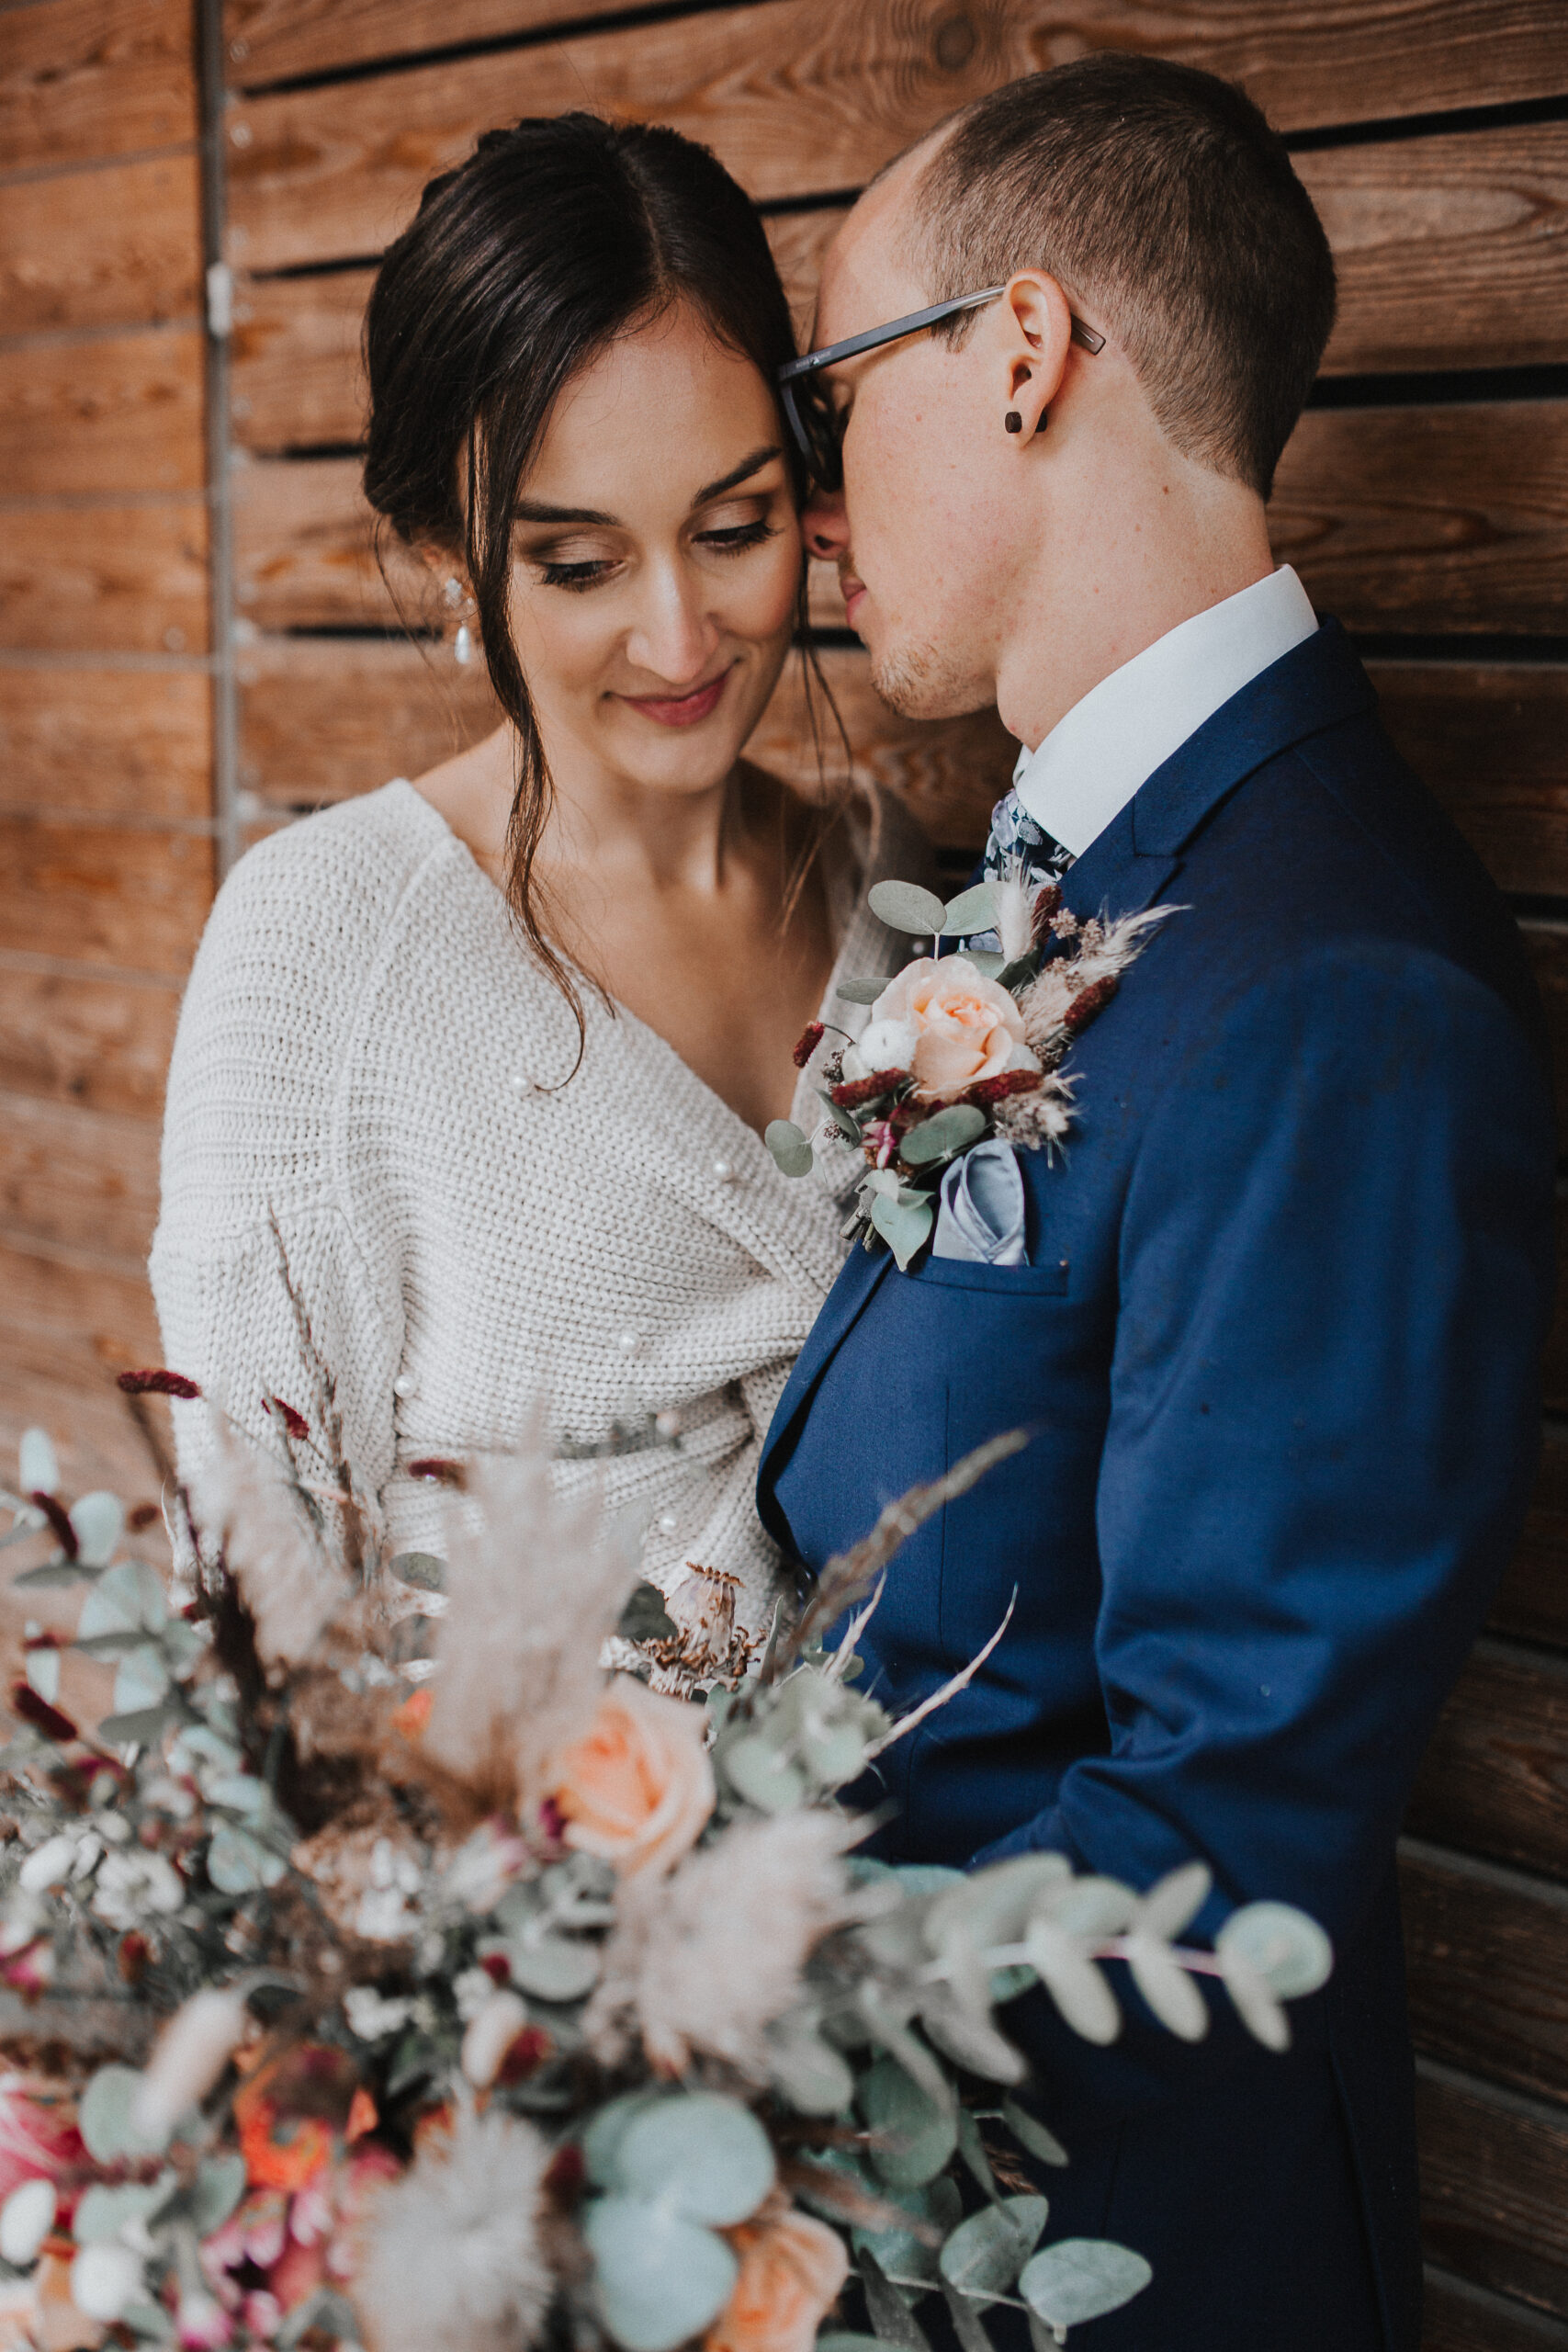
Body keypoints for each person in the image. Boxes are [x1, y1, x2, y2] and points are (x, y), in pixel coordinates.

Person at [757, 55, 1555, 2351]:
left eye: (835, 389)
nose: (820, 506)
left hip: (1120, 2258)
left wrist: (692, 2015)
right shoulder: (1060, 878)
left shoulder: (1338, 981)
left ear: (1018, 352)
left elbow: (1221, 1821)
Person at [152, 113, 924, 1626]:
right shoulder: (322, 950)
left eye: (734, 527)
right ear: (454, 558)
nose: (684, 641)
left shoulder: (898, 890)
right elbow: (254, 1617)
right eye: (580, 565)